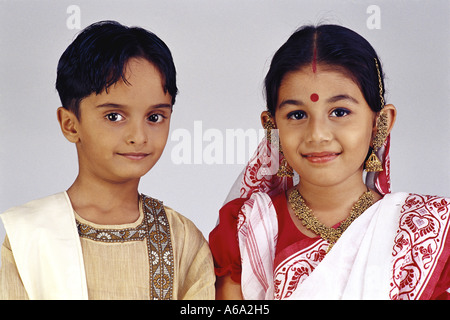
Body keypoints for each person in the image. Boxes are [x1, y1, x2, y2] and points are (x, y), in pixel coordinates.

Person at [209, 24, 450, 300]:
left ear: (379, 122)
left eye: (339, 111)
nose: (317, 134)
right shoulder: (245, 229)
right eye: (297, 115)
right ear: (272, 127)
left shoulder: (423, 231)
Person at [0, 20, 215, 300]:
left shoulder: (183, 239)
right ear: (70, 124)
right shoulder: (29, 236)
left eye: (154, 117)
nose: (139, 136)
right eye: (114, 116)